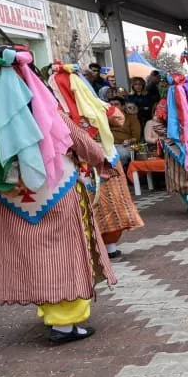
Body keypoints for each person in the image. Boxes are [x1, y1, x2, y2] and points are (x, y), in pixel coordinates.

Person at [0, 47, 115, 343]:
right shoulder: (45, 106)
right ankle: (66, 323)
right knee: (64, 255)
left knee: (36, 257)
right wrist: (101, 159)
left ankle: (54, 316)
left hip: (13, 201)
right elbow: (79, 141)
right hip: (59, 192)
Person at [48, 63, 144, 258]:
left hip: (76, 164)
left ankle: (90, 247)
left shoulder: (56, 113)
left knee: (85, 205)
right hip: (105, 158)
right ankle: (110, 247)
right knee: (109, 203)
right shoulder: (97, 105)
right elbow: (119, 118)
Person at [146, 73, 188, 217]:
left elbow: (156, 124)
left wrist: (172, 138)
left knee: (179, 177)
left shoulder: (164, 103)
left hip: (174, 147)